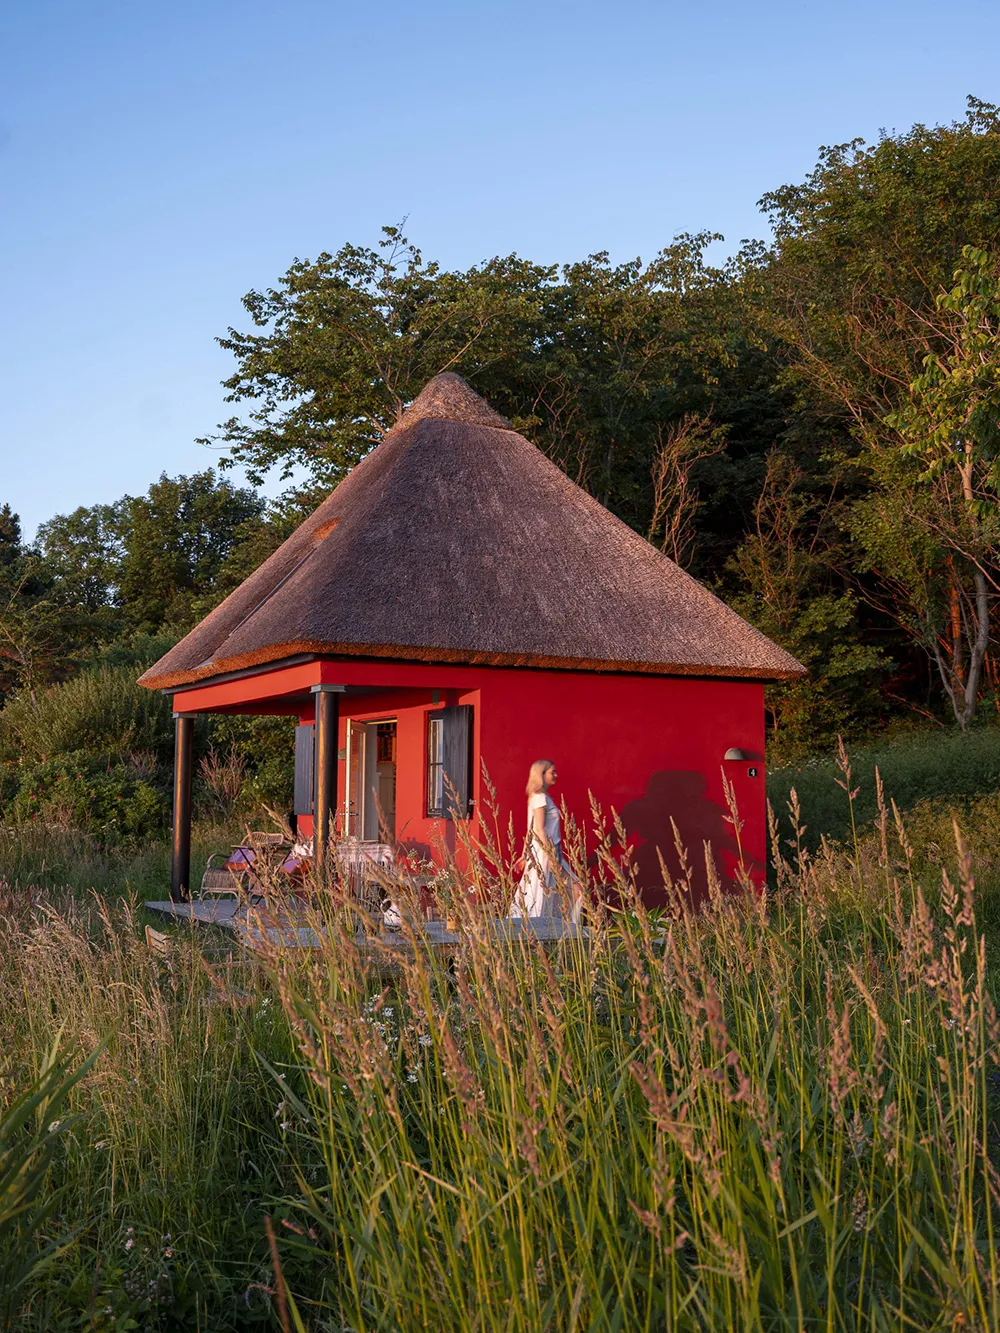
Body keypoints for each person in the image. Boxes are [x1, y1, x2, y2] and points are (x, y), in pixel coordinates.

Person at [510, 759, 581, 921]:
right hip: (546, 851)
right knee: (571, 890)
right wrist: (550, 855)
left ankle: (557, 927)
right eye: (552, 772)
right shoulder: (540, 797)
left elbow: (530, 828)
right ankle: (567, 929)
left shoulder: (539, 797)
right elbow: (539, 829)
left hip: (542, 851)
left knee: (545, 891)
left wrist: (524, 854)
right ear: (541, 774)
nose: (556, 775)